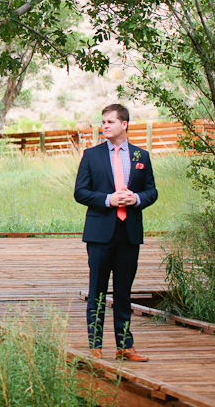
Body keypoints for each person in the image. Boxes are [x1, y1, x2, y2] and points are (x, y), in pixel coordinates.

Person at [74, 104, 158, 361]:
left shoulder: (140, 156)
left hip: (129, 234)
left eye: (110, 121)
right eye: (103, 121)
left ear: (125, 124)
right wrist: (109, 199)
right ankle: (95, 347)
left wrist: (137, 198)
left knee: (124, 292)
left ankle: (125, 345)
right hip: (100, 234)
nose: (105, 126)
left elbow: (152, 191)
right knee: (97, 291)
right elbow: (80, 192)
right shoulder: (91, 155)